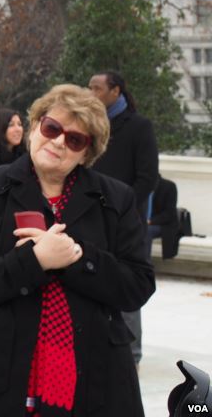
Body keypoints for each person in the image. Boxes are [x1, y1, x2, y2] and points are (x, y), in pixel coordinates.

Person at [0, 84, 154, 417]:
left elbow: (137, 286)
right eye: (52, 128)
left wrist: (75, 257)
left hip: (94, 374)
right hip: (0, 371)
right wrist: (36, 260)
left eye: (74, 139)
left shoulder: (116, 199)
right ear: (36, 124)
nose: (57, 141)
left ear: (86, 153)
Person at [88, 70, 158, 365]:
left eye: (97, 88)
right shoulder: (90, 128)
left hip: (126, 223)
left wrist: (122, 209)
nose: (91, 92)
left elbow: (147, 178)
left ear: (115, 91)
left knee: (126, 285)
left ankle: (130, 354)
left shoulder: (139, 126)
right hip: (91, 218)